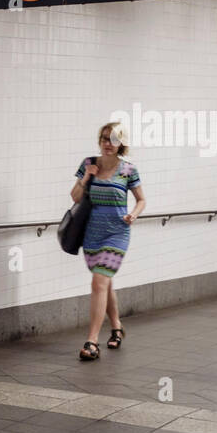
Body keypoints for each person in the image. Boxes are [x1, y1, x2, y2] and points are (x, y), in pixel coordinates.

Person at [72, 121, 146, 361]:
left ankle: (92, 341)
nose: (108, 144)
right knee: (105, 283)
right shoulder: (88, 164)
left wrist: (133, 215)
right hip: (92, 233)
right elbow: (74, 197)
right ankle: (117, 327)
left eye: (113, 140)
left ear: (121, 144)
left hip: (117, 232)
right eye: (104, 138)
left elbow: (141, 199)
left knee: (98, 282)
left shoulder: (128, 170)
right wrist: (86, 179)